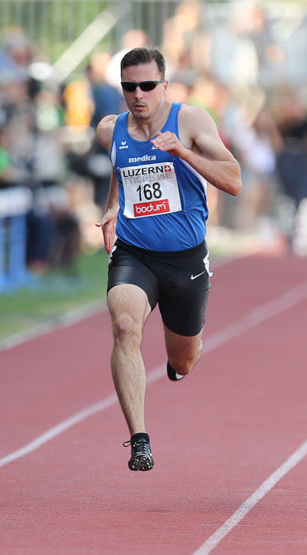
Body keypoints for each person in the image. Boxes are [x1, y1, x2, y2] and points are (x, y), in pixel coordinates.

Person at [95, 47, 241, 471]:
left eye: (146, 86)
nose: (137, 94)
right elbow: (119, 168)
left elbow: (233, 180)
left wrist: (182, 153)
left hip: (186, 260)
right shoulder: (111, 129)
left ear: (164, 86)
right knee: (124, 326)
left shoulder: (191, 120)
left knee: (184, 360)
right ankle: (139, 440)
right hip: (135, 254)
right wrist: (111, 205)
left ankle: (180, 361)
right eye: (128, 87)